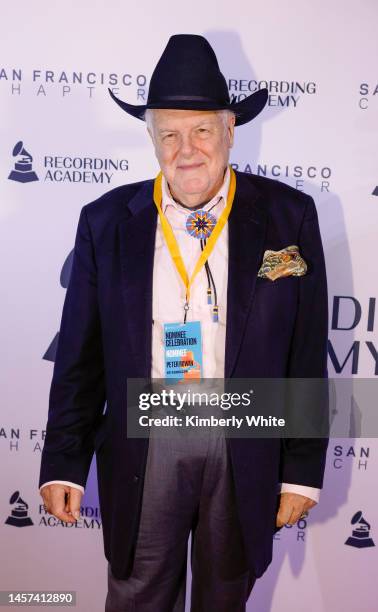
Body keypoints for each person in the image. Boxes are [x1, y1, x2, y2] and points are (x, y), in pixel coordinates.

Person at [39, 34, 329, 611]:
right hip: (146, 437)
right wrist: (63, 462)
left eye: (200, 130)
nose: (186, 149)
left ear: (229, 130)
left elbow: (304, 352)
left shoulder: (288, 216)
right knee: (138, 598)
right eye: (168, 133)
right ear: (150, 138)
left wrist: (300, 470)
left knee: (225, 600)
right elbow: (80, 358)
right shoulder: (104, 222)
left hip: (244, 431)